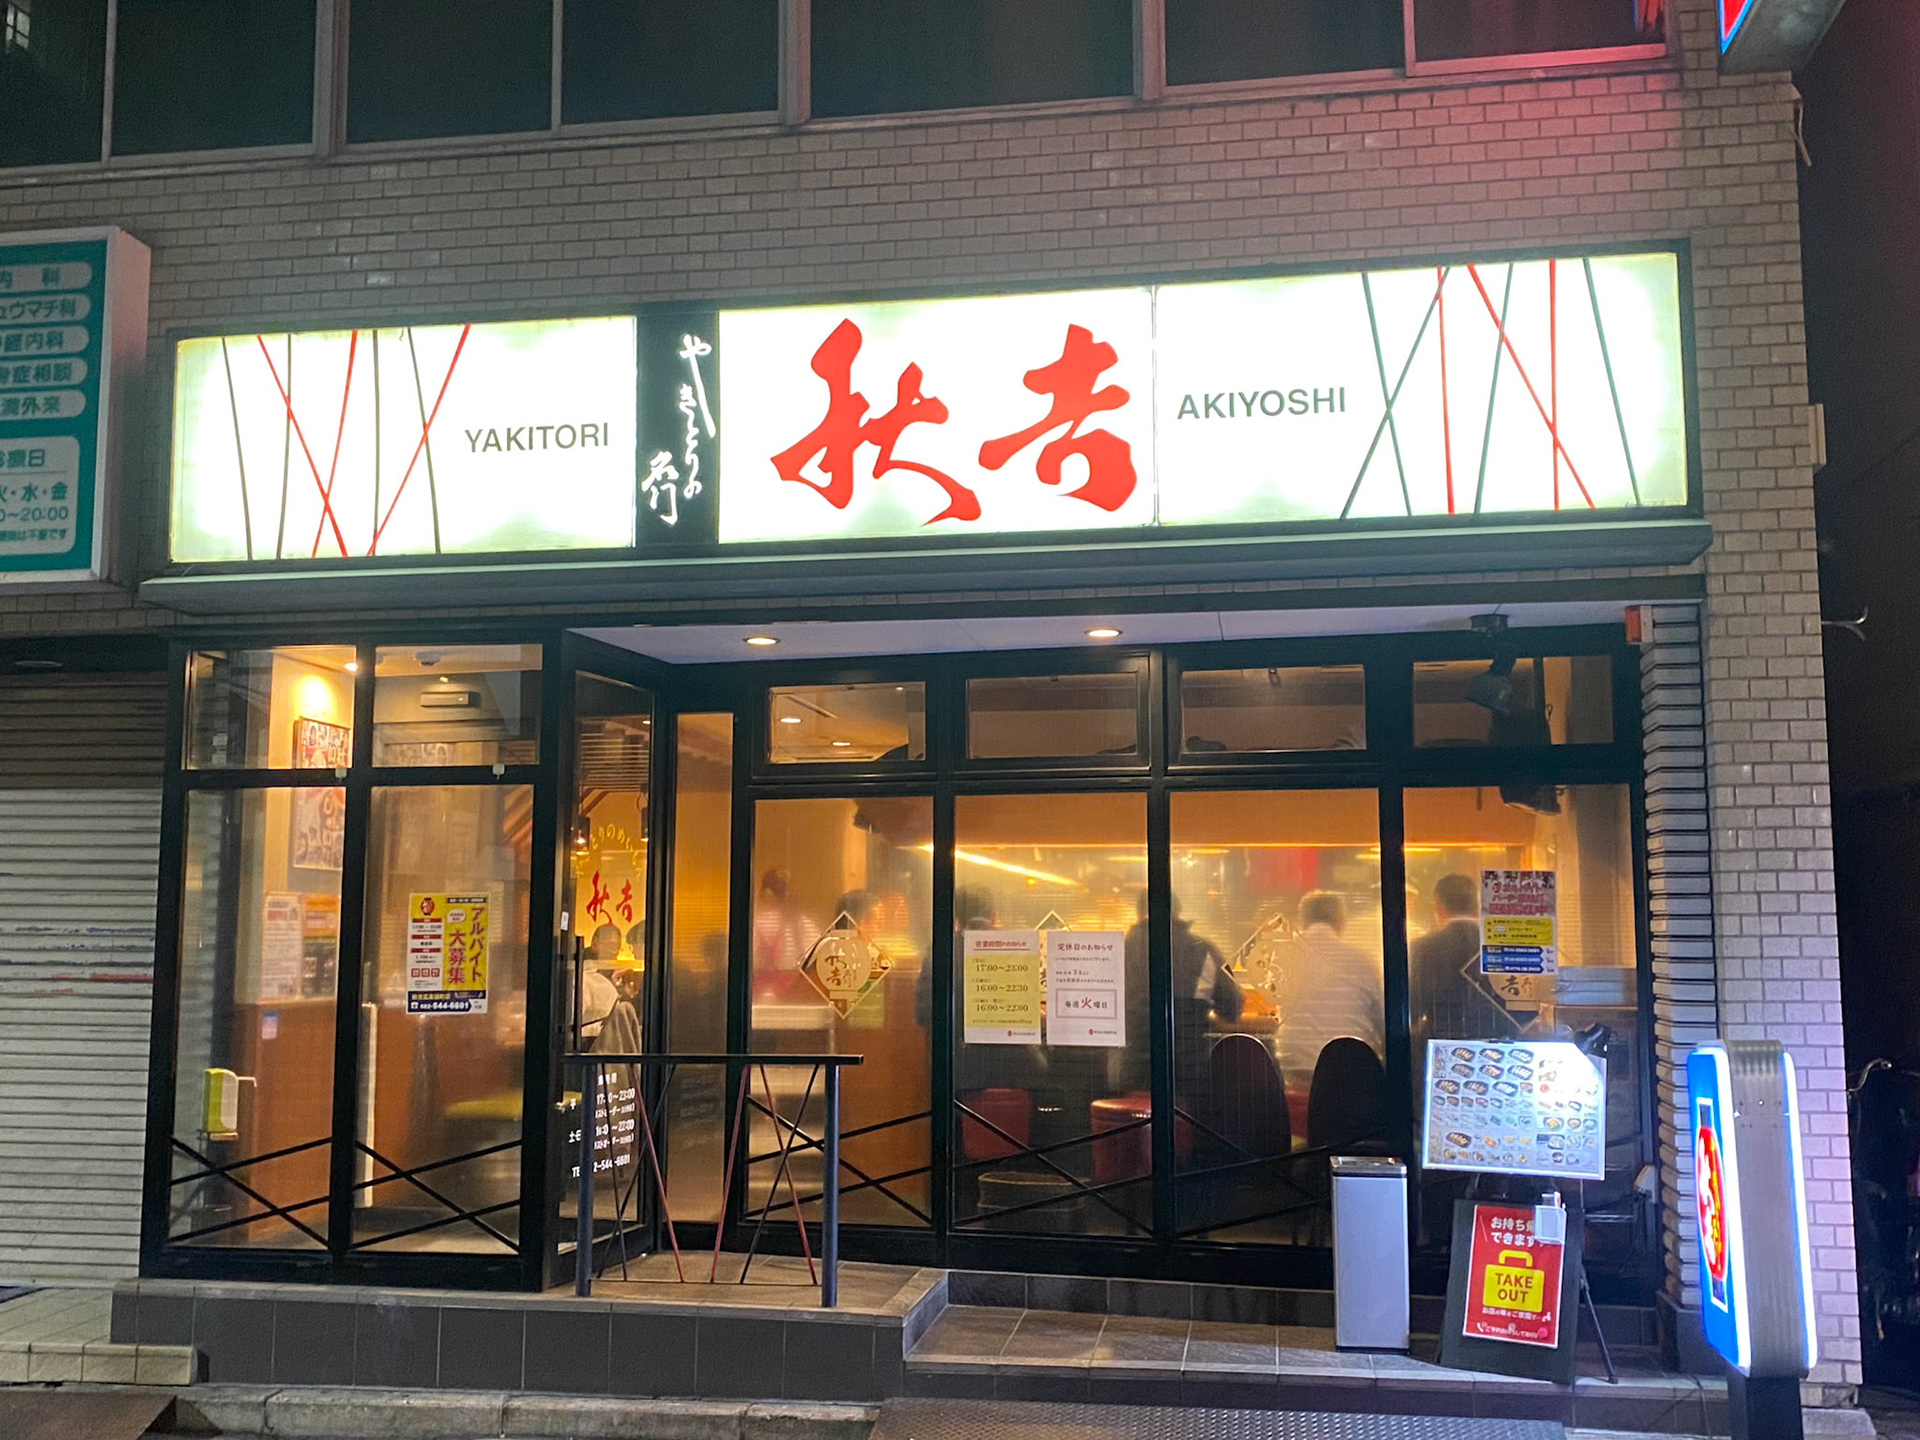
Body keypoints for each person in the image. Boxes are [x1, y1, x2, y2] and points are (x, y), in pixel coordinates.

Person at [1277, 891, 1383, 1088]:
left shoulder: (1283, 957)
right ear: (1341, 922)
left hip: (1296, 1070)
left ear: (1302, 921)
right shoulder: (1362, 960)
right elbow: (1383, 1021)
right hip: (1350, 1070)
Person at [1409, 872, 1515, 1052]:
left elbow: (1414, 1008)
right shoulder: (1503, 944)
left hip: (1441, 1045)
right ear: (1477, 904)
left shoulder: (1423, 947)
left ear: (1439, 906)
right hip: (1501, 1046)